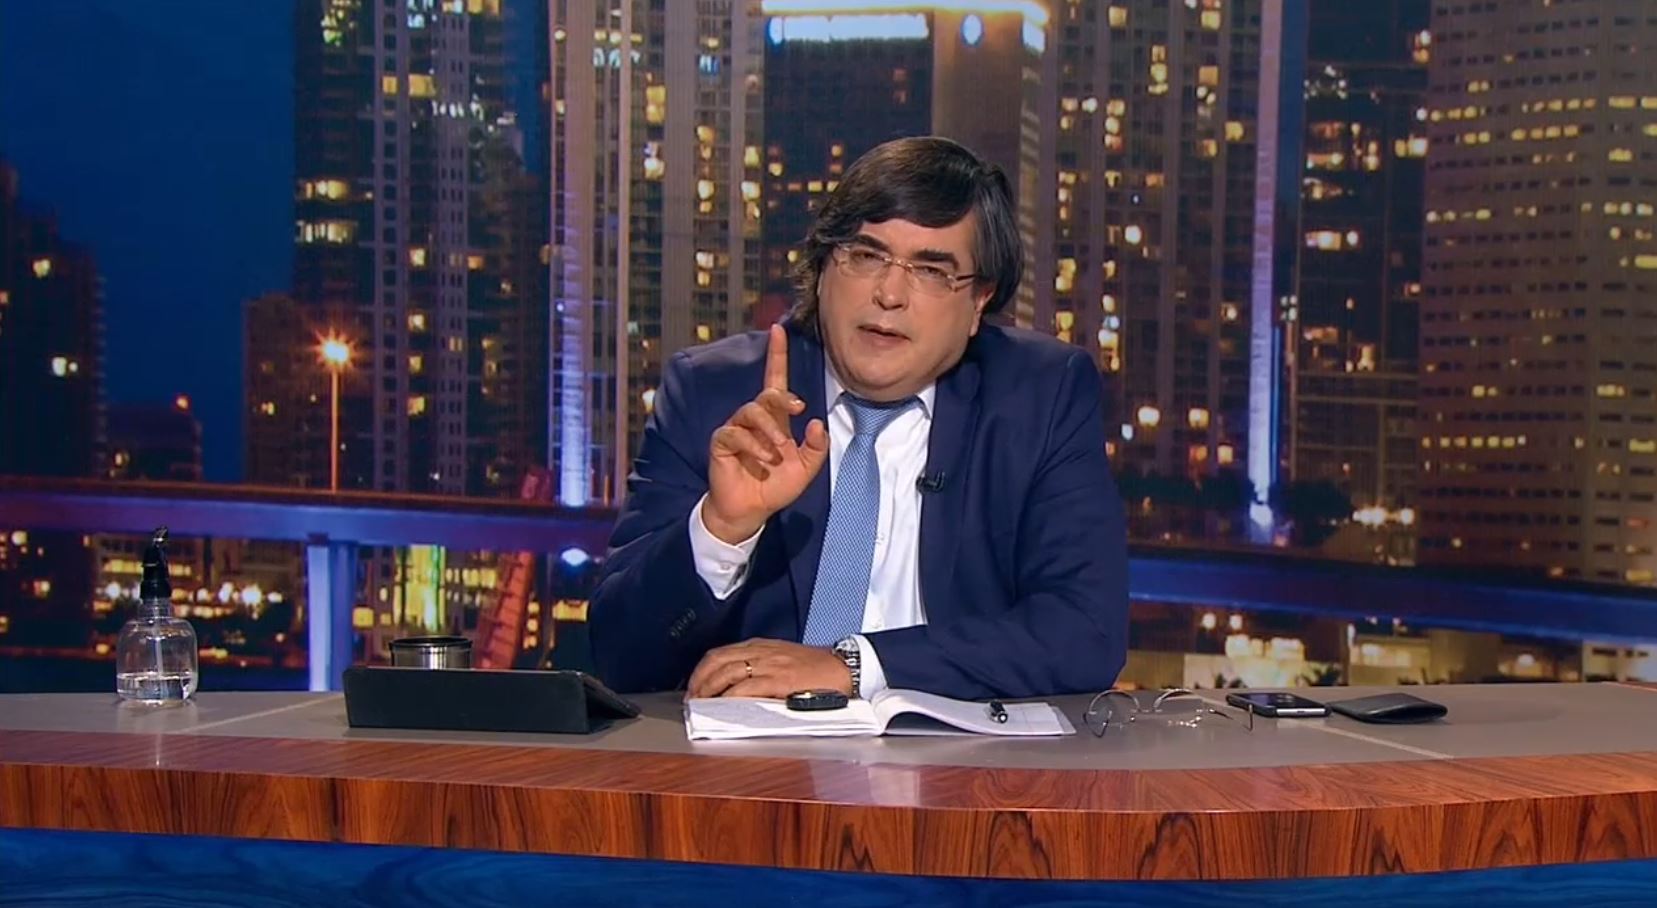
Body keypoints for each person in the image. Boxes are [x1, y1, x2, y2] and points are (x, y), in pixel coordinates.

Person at [589, 136, 1127, 702]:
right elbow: (622, 658)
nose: (889, 294)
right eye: (866, 256)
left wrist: (855, 665)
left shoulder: (1040, 396)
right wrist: (721, 529)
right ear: (823, 266)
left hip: (956, 752)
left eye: (931, 270)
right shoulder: (714, 394)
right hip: (758, 753)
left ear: (978, 302)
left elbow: (1085, 632)